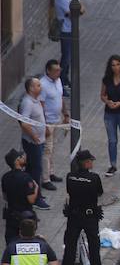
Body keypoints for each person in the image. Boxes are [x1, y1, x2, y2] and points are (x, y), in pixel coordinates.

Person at [61, 150, 105, 265]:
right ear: (86, 163)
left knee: (70, 246)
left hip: (74, 215)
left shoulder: (70, 176)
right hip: (90, 216)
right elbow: (99, 192)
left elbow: (69, 192)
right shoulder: (94, 178)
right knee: (94, 247)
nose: (92, 162)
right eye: (90, 161)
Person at [18, 78, 49, 210]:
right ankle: (36, 198)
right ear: (31, 88)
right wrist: (34, 135)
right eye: (38, 85)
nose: (40, 87)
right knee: (36, 169)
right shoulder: (27, 103)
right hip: (32, 143)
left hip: (39, 141)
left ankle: (31, 193)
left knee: (32, 169)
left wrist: (45, 129)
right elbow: (24, 122)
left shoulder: (35, 101)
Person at [38, 59, 68, 191]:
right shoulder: (43, 84)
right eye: (56, 70)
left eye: (59, 69)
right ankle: (45, 179)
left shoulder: (58, 81)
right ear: (48, 71)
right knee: (47, 150)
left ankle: (51, 172)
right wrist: (44, 126)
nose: (59, 72)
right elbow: (41, 105)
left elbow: (60, 98)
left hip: (56, 120)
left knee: (53, 148)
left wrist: (65, 113)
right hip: (48, 122)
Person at [2, 149, 38, 245]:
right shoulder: (26, 178)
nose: (24, 158)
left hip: (11, 216)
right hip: (25, 217)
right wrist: (36, 189)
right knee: (27, 242)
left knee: (11, 243)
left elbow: (5, 197)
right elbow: (31, 200)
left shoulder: (5, 177)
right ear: (17, 161)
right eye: (22, 157)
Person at [54, 0, 83, 91]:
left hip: (72, 29)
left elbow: (80, 10)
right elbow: (75, 13)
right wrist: (78, 10)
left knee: (69, 56)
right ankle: (60, 80)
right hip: (66, 30)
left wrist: (78, 10)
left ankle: (64, 79)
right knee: (67, 57)